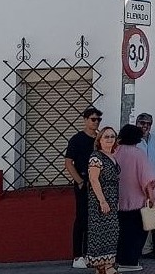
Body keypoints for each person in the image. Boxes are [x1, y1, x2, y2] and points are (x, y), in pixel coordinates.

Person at [115, 124, 155, 272]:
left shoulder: (115, 152)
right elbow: (147, 178)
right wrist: (152, 197)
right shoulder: (138, 153)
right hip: (137, 201)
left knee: (122, 232)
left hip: (118, 200)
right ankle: (131, 262)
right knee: (138, 233)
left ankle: (120, 260)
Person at [64, 106, 102, 270]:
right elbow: (68, 162)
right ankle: (77, 255)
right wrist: (79, 181)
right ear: (85, 120)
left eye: (98, 120)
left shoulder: (100, 139)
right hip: (84, 182)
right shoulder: (77, 139)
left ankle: (90, 253)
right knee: (82, 218)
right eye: (93, 119)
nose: (96, 122)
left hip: (99, 183)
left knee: (95, 219)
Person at [85, 127, 120, 274]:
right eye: (106, 136)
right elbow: (94, 179)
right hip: (101, 199)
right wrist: (102, 201)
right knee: (101, 231)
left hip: (112, 197)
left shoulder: (112, 155)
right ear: (99, 139)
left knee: (112, 231)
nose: (110, 139)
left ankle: (106, 265)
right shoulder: (96, 157)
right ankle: (105, 266)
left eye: (112, 136)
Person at [135, 112, 155, 257]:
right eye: (142, 122)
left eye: (148, 123)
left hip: (154, 185)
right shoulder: (132, 140)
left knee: (150, 216)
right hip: (136, 185)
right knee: (136, 217)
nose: (145, 126)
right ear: (136, 123)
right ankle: (136, 248)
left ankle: (147, 249)